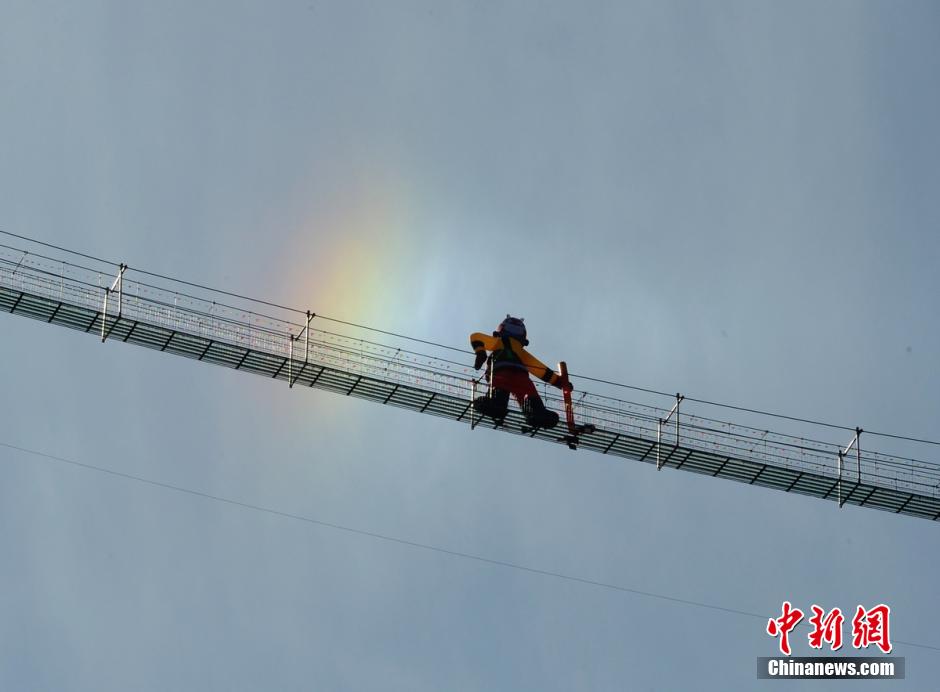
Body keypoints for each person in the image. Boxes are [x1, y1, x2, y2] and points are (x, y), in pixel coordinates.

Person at [470, 315, 571, 429]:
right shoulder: (510, 347)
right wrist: (558, 382)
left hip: (504, 371)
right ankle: (535, 412)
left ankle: (503, 406)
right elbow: (538, 368)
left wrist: (480, 352)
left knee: (510, 388)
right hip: (514, 374)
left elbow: (476, 337)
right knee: (525, 390)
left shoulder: (501, 343)